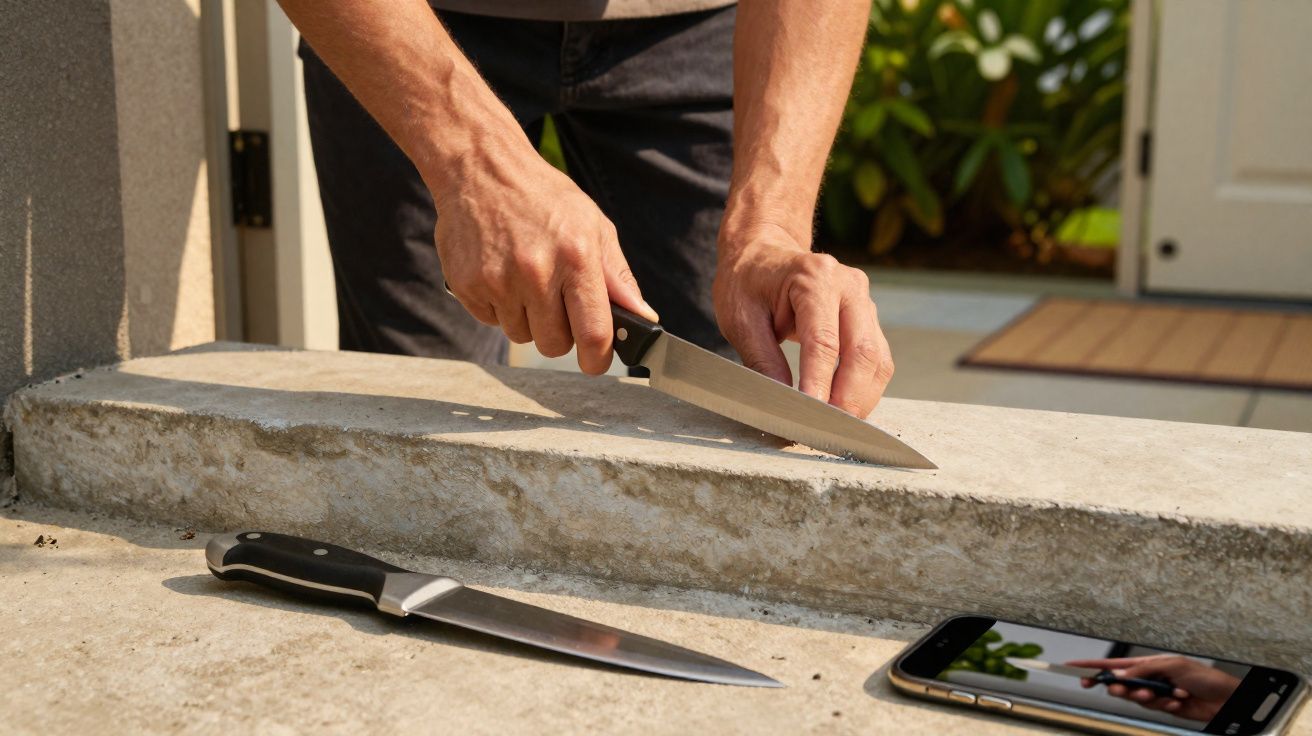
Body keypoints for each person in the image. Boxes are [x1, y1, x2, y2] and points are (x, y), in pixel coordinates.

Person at [282, 0, 895, 418]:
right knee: (423, 417)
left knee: (740, 403)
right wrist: (473, 159)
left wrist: (770, 227)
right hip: (405, 27)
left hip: (700, 27)